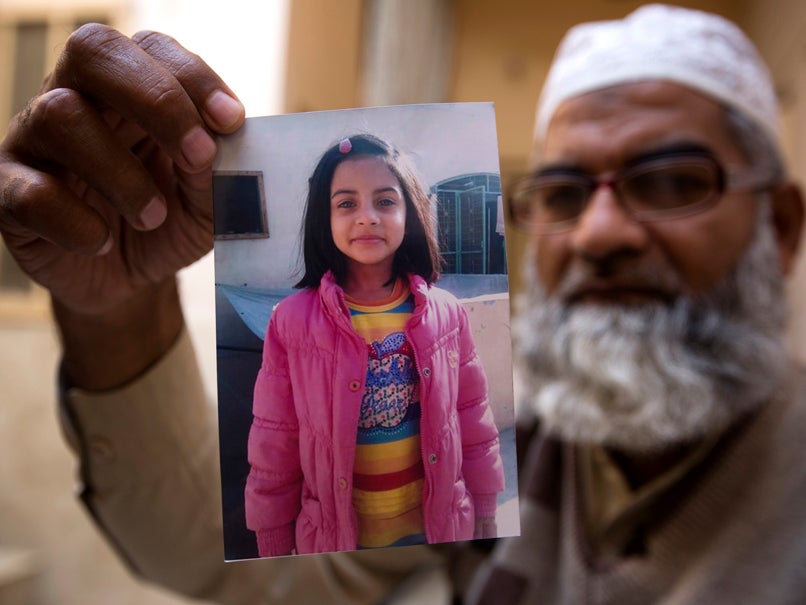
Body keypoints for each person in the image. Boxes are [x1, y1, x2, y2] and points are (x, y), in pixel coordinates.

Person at [1, 4, 806, 604]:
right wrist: (114, 302)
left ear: (778, 226)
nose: (599, 232)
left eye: (670, 182)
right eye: (561, 192)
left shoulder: (455, 338)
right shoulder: (527, 411)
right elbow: (231, 569)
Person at [244, 133, 503, 556]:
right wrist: (272, 545)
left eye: (385, 201)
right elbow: (274, 442)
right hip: (338, 543)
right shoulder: (292, 322)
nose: (367, 217)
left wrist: (487, 511)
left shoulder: (446, 313)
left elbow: (473, 422)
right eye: (346, 203)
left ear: (410, 213)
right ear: (324, 219)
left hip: (439, 530)